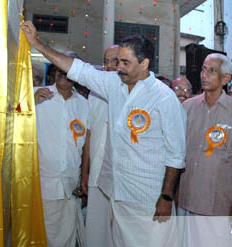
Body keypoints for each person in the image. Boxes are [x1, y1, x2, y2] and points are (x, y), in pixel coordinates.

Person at [21, 21, 186, 246]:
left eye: (126, 62)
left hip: (149, 199)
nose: (119, 67)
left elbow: (176, 155)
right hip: (118, 195)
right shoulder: (113, 84)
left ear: (145, 63)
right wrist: (36, 44)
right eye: (118, 61)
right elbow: (79, 69)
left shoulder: (164, 98)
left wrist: (166, 197)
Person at [178, 53, 232, 216]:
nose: (204, 75)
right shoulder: (187, 107)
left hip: (218, 202)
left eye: (212, 71)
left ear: (225, 78)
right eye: (203, 69)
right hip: (186, 198)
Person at [34, 65, 88, 246]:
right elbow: (9, 115)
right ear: (53, 73)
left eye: (67, 71)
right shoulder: (37, 95)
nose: (63, 75)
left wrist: (84, 177)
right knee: (43, 235)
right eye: (59, 70)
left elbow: (86, 144)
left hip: (70, 184)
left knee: (66, 237)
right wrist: (29, 102)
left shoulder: (84, 104)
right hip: (43, 183)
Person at [81, 44, 119, 247]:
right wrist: (85, 173)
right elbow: (89, 135)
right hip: (96, 175)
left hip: (121, 179)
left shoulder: (131, 93)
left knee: (118, 234)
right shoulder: (93, 95)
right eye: (106, 62)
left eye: (114, 61)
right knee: (96, 232)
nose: (110, 66)